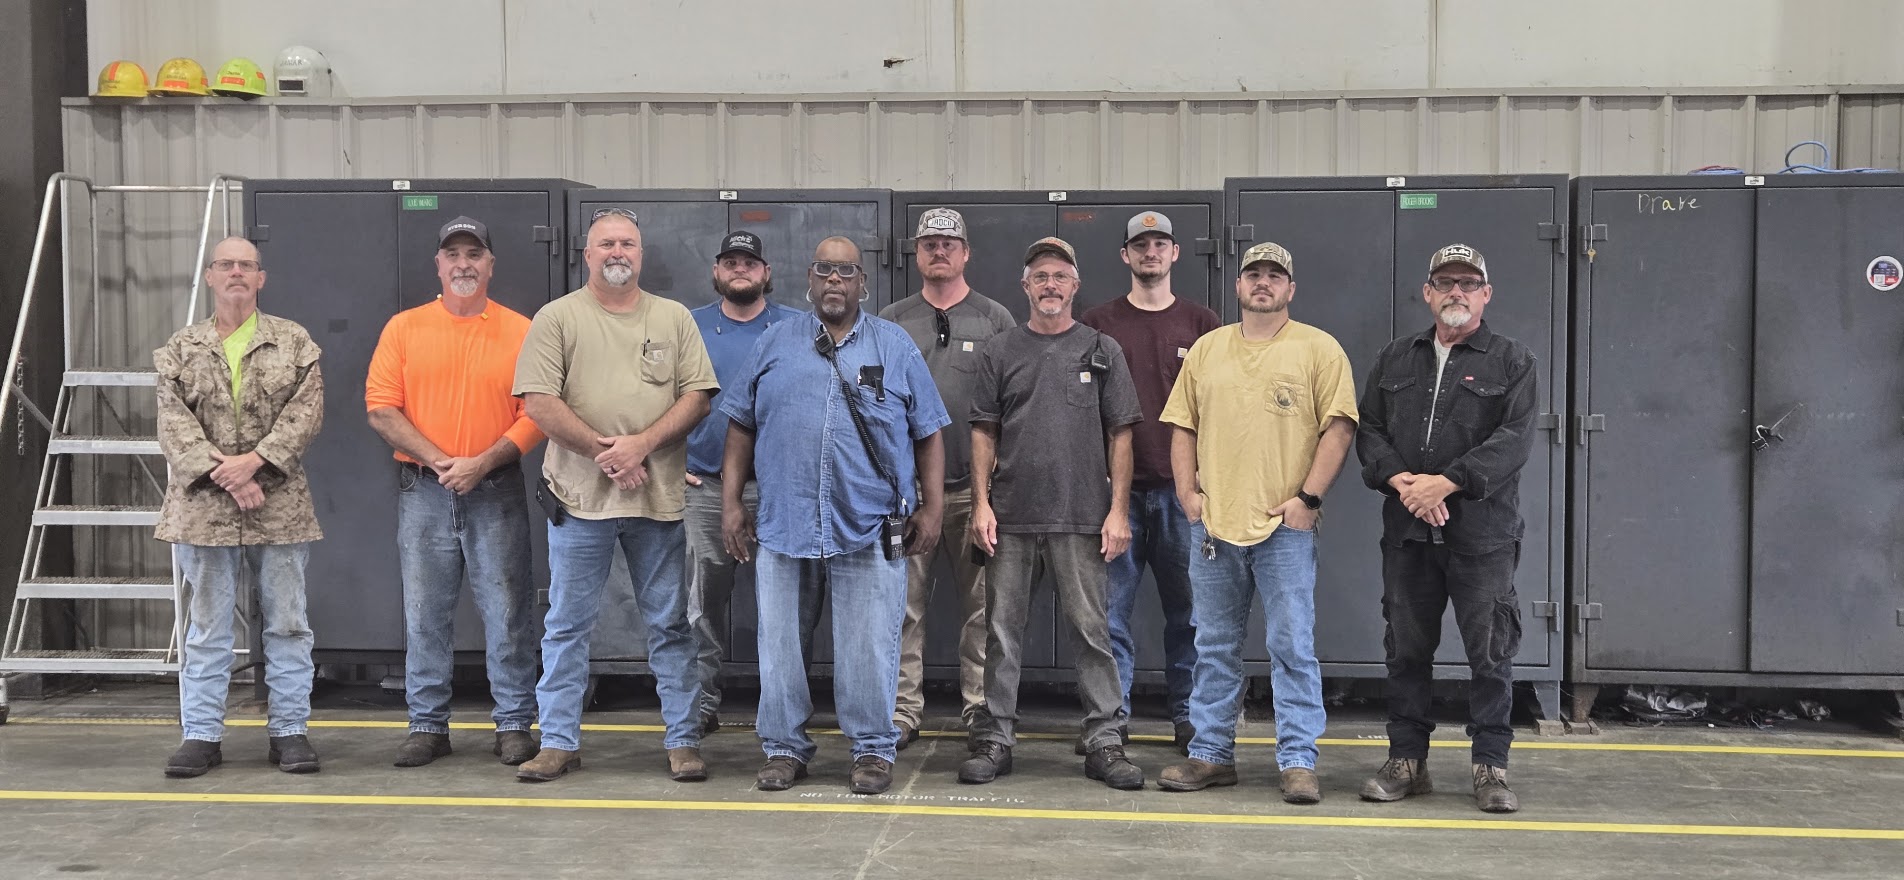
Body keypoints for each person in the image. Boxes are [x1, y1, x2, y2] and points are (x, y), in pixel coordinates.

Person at [720, 236, 948, 795]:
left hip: (868, 523)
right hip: (782, 521)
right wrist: (731, 504)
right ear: (809, 277)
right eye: (825, 269)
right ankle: (783, 748)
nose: (835, 281)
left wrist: (934, 507)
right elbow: (740, 425)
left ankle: (872, 749)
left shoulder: (893, 345)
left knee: (869, 644)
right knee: (778, 644)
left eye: (846, 271)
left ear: (863, 282)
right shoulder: (775, 341)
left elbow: (929, 432)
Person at [512, 208, 718, 783]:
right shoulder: (557, 319)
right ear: (587, 252)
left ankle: (682, 741)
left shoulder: (673, 318)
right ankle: (557, 741)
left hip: (658, 505)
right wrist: (610, 452)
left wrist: (642, 447)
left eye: (627, 243)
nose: (617, 252)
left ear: (642, 253)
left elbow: (698, 396)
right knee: (566, 624)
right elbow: (539, 402)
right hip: (579, 504)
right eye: (606, 243)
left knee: (672, 624)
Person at [1156, 241, 1358, 805]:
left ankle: (1298, 760)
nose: (1263, 283)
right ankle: (1211, 754)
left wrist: (1307, 500)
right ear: (1239, 287)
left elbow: (1339, 428)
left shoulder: (1318, 350)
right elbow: (1182, 426)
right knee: (1214, 644)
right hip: (1214, 528)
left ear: (1290, 289)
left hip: (1285, 530)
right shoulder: (1207, 350)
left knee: (1291, 643)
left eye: (1275, 276)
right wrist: (1187, 494)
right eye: (1254, 275)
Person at [958, 237, 1147, 791]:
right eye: (1040, 276)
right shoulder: (1000, 351)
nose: (1050, 286)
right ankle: (995, 738)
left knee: (1093, 632)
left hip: (1083, 517)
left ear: (1075, 285)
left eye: (1060, 276)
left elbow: (1121, 433)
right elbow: (983, 430)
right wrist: (982, 504)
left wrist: (1117, 512)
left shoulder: (1102, 349)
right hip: (1011, 518)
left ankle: (1104, 739)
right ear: (1025, 286)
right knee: (1001, 632)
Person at [1355, 243, 1538, 814]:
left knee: (1490, 654)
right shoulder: (1394, 358)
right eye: (1445, 282)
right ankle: (1407, 761)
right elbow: (1369, 430)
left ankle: (1490, 768)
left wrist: (1448, 483)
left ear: (1486, 293)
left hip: (1482, 535)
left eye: (1468, 283)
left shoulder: (1513, 360)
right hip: (1408, 531)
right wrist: (1404, 483)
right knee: (1407, 650)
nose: (1456, 292)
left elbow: (1514, 441)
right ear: (1428, 293)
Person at [365, 216, 545, 769]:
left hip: (496, 488)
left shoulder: (523, 330)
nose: (463, 264)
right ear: (438, 265)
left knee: (508, 609)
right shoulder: (404, 328)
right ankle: (427, 725)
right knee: (424, 612)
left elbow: (535, 411)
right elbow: (380, 406)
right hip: (424, 489)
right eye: (453, 255)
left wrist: (481, 463)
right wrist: (441, 462)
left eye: (474, 254)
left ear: (491, 264)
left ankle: (514, 722)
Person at [155, 236, 325, 778]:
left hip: (280, 508)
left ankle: (290, 732)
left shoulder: (294, 342)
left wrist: (254, 464)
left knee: (289, 625)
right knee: (206, 628)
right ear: (210, 276)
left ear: (261, 278)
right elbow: (173, 425)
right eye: (226, 265)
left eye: (246, 265)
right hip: (203, 510)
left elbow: (305, 417)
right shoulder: (181, 348)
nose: (236, 273)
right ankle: (201, 735)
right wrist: (230, 477)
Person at [1080, 211, 1220, 754]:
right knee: (1108, 617)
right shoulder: (1098, 322)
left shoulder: (1203, 324)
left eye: (1161, 243)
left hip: (1183, 495)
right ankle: (1111, 721)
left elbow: (1219, 407)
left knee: (1191, 615)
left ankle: (1189, 718)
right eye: (1141, 245)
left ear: (1175, 253)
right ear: (1126, 256)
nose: (1151, 253)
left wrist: (1203, 484)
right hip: (1116, 498)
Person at [878, 208, 1016, 746]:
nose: (939, 251)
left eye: (949, 243)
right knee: (901, 607)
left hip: (975, 493)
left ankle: (979, 708)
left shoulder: (995, 319)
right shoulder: (891, 320)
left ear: (965, 254)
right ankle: (901, 710)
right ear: (916, 253)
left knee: (983, 609)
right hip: (906, 495)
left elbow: (1012, 402)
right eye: (929, 243)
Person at [682, 230, 808, 736]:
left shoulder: (798, 328)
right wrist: (668, 461)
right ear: (716, 272)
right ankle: (701, 703)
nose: (740, 269)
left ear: (766, 273)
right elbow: (657, 399)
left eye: (749, 263)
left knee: (787, 607)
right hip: (706, 489)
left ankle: (783, 709)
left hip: (780, 490)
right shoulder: (688, 327)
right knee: (701, 605)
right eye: (730, 262)